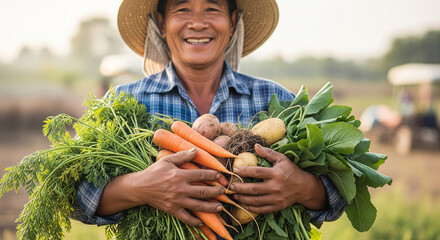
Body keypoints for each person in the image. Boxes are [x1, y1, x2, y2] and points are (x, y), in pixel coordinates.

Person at [72, 0, 346, 235]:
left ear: (233, 21)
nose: (198, 23)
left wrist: (302, 187)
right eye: (182, 9)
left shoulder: (279, 101)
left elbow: (340, 191)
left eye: (212, 8)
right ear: (161, 23)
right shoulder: (121, 104)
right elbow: (74, 196)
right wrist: (140, 187)